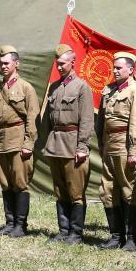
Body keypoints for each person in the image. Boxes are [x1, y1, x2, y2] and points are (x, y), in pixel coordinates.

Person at [95, 51, 136, 251]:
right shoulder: (108, 90)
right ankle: (115, 235)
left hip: (125, 145)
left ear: (131, 69)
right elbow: (101, 120)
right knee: (107, 190)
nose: (115, 71)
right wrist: (101, 144)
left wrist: (134, 150)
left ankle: (132, 237)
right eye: (114, 67)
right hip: (109, 145)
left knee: (129, 190)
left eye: (119, 68)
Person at [42, 44, 94, 244]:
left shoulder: (82, 87)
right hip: (55, 145)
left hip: (73, 146)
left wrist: (82, 147)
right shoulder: (54, 87)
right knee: (60, 190)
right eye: (57, 63)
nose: (59, 67)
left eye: (63, 63)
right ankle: (63, 231)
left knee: (75, 192)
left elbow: (87, 120)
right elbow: (48, 119)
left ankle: (76, 233)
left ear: (73, 62)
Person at [0, 45, 40, 238]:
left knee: (19, 183)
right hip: (0, 141)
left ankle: (20, 225)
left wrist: (28, 144)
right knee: (5, 183)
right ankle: (9, 223)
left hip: (18, 139)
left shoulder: (26, 88)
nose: (3, 66)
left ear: (16, 64)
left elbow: (33, 118)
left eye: (6, 63)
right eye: (0, 63)